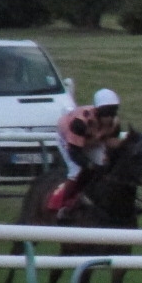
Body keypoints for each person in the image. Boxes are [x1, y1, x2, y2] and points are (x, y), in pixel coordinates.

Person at [54, 88, 122, 218]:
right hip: (69, 141)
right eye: (106, 112)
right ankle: (63, 205)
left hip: (92, 141)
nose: (110, 117)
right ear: (98, 111)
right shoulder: (79, 123)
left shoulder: (115, 124)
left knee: (107, 167)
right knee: (76, 172)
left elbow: (112, 144)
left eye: (113, 112)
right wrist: (90, 165)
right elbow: (74, 152)